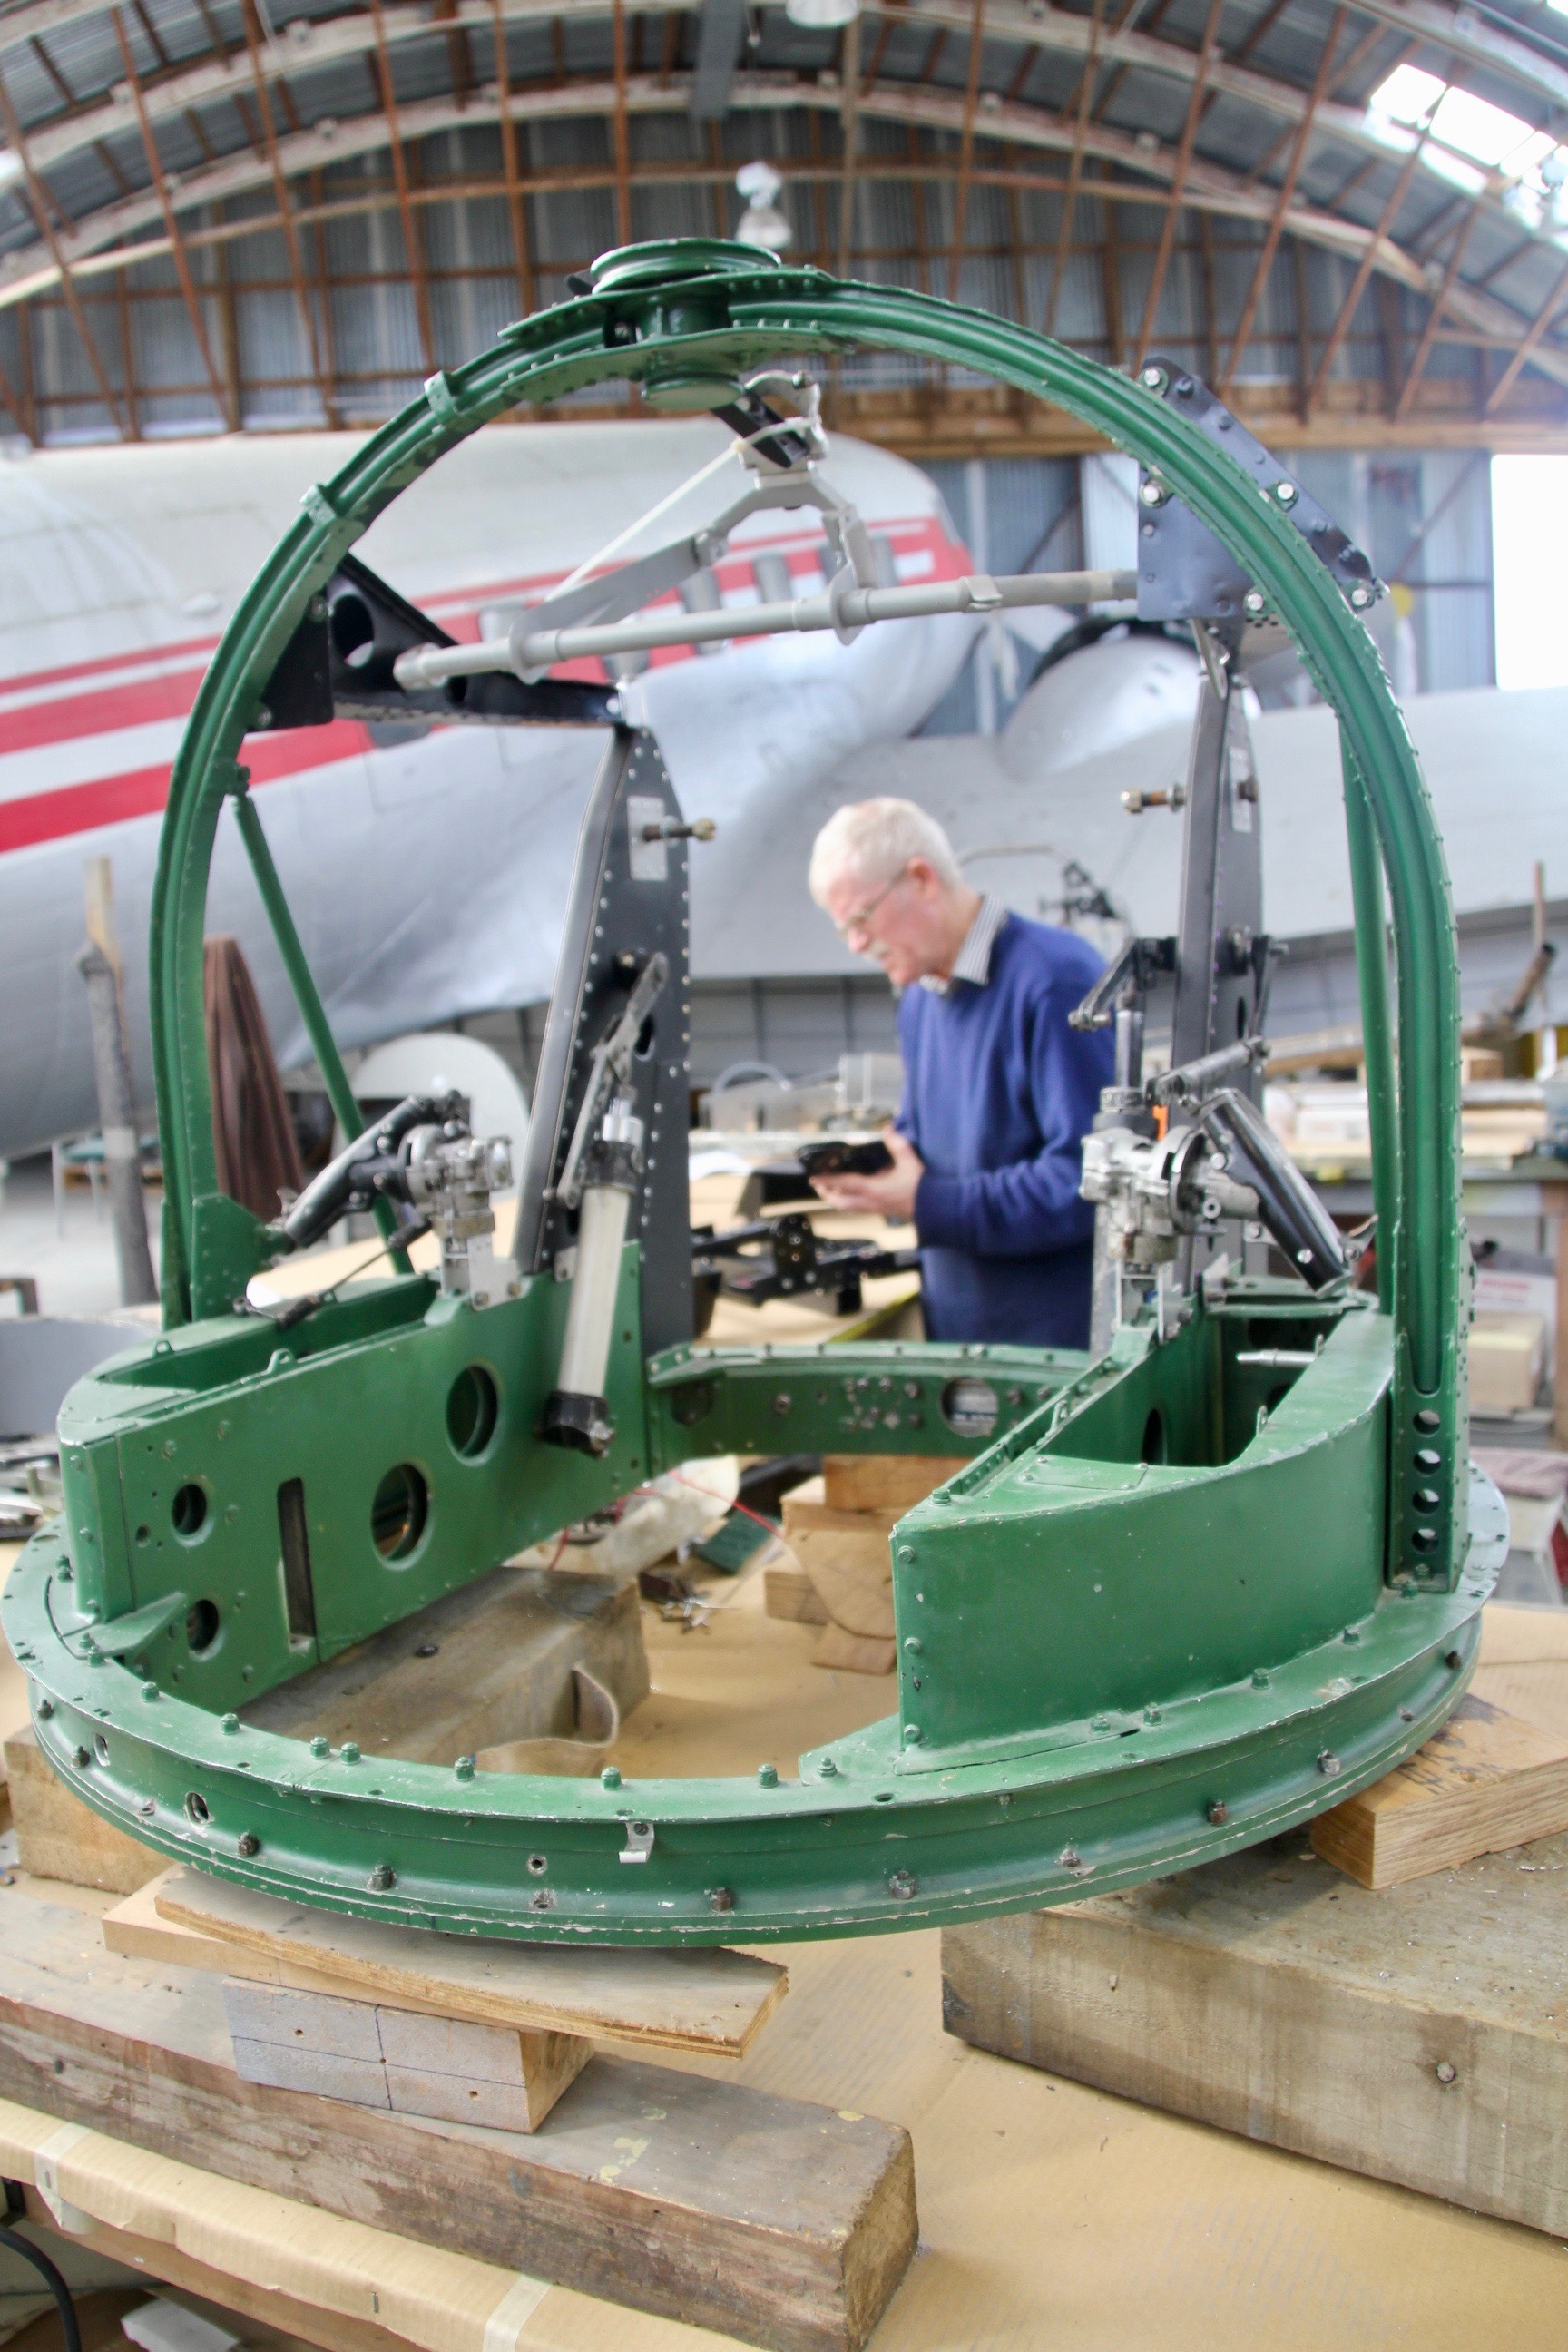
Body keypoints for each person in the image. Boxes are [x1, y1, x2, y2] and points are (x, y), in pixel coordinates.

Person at [807, 798, 1113, 1349]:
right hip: (957, 1330)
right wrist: (879, 1171)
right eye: (842, 929)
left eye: (861, 918)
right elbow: (936, 1147)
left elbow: (1089, 1181)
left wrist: (925, 1203)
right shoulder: (921, 997)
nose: (856, 943)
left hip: (1053, 1347)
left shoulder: (1057, 981)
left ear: (921, 879)